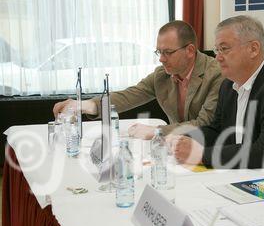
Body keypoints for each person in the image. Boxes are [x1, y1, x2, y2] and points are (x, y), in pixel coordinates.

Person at [169, 15, 264, 173]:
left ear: (253, 49)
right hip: (242, 173)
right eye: (216, 50)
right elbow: (216, 131)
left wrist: (200, 154)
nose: (218, 57)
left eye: (224, 49)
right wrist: (184, 139)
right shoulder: (228, 85)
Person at [52, 20, 222, 139]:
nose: (161, 59)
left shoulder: (216, 74)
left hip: (209, 152)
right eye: (159, 52)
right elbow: (130, 95)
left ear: (190, 50)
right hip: (176, 150)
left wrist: (157, 131)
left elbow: (204, 124)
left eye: (168, 52)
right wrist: (87, 105)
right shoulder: (162, 75)